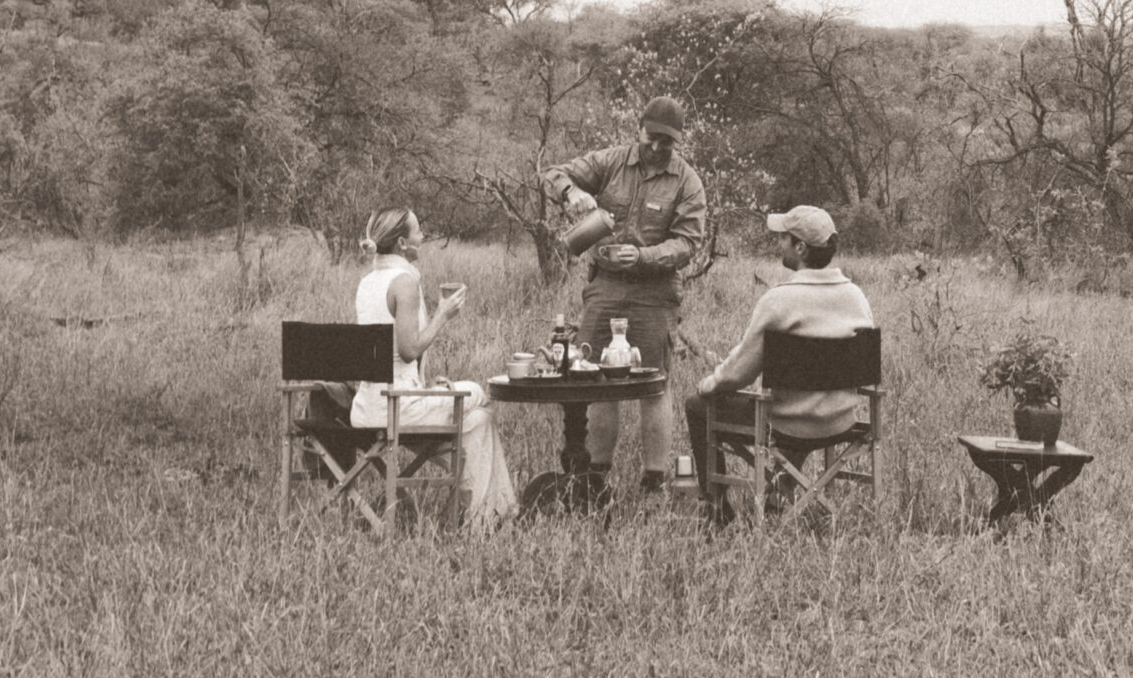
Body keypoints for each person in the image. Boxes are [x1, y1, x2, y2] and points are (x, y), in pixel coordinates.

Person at [544, 96, 707, 500]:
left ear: (677, 142)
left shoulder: (687, 181)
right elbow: (552, 174)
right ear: (639, 129)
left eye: (666, 142)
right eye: (652, 137)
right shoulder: (611, 161)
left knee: (654, 382)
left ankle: (654, 481)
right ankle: (597, 477)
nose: (656, 148)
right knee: (597, 378)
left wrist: (645, 256)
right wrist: (571, 195)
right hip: (605, 286)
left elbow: (688, 243)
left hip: (656, 292)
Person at [686, 205, 875, 512]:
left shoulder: (779, 299)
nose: (779, 244)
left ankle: (717, 507)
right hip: (841, 420)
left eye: (784, 238)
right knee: (800, 396)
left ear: (800, 247)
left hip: (790, 424)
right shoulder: (856, 295)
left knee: (697, 405)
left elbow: (739, 374)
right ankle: (780, 489)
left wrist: (711, 382)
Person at [347, 207, 516, 530]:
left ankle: (493, 518)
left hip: (367, 407)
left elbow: (390, 359)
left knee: (479, 421)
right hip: (397, 408)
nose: (422, 237)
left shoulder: (368, 281)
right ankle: (488, 520)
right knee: (480, 394)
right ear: (402, 243)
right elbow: (408, 350)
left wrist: (425, 384)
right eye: (418, 232)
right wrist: (443, 314)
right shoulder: (404, 282)